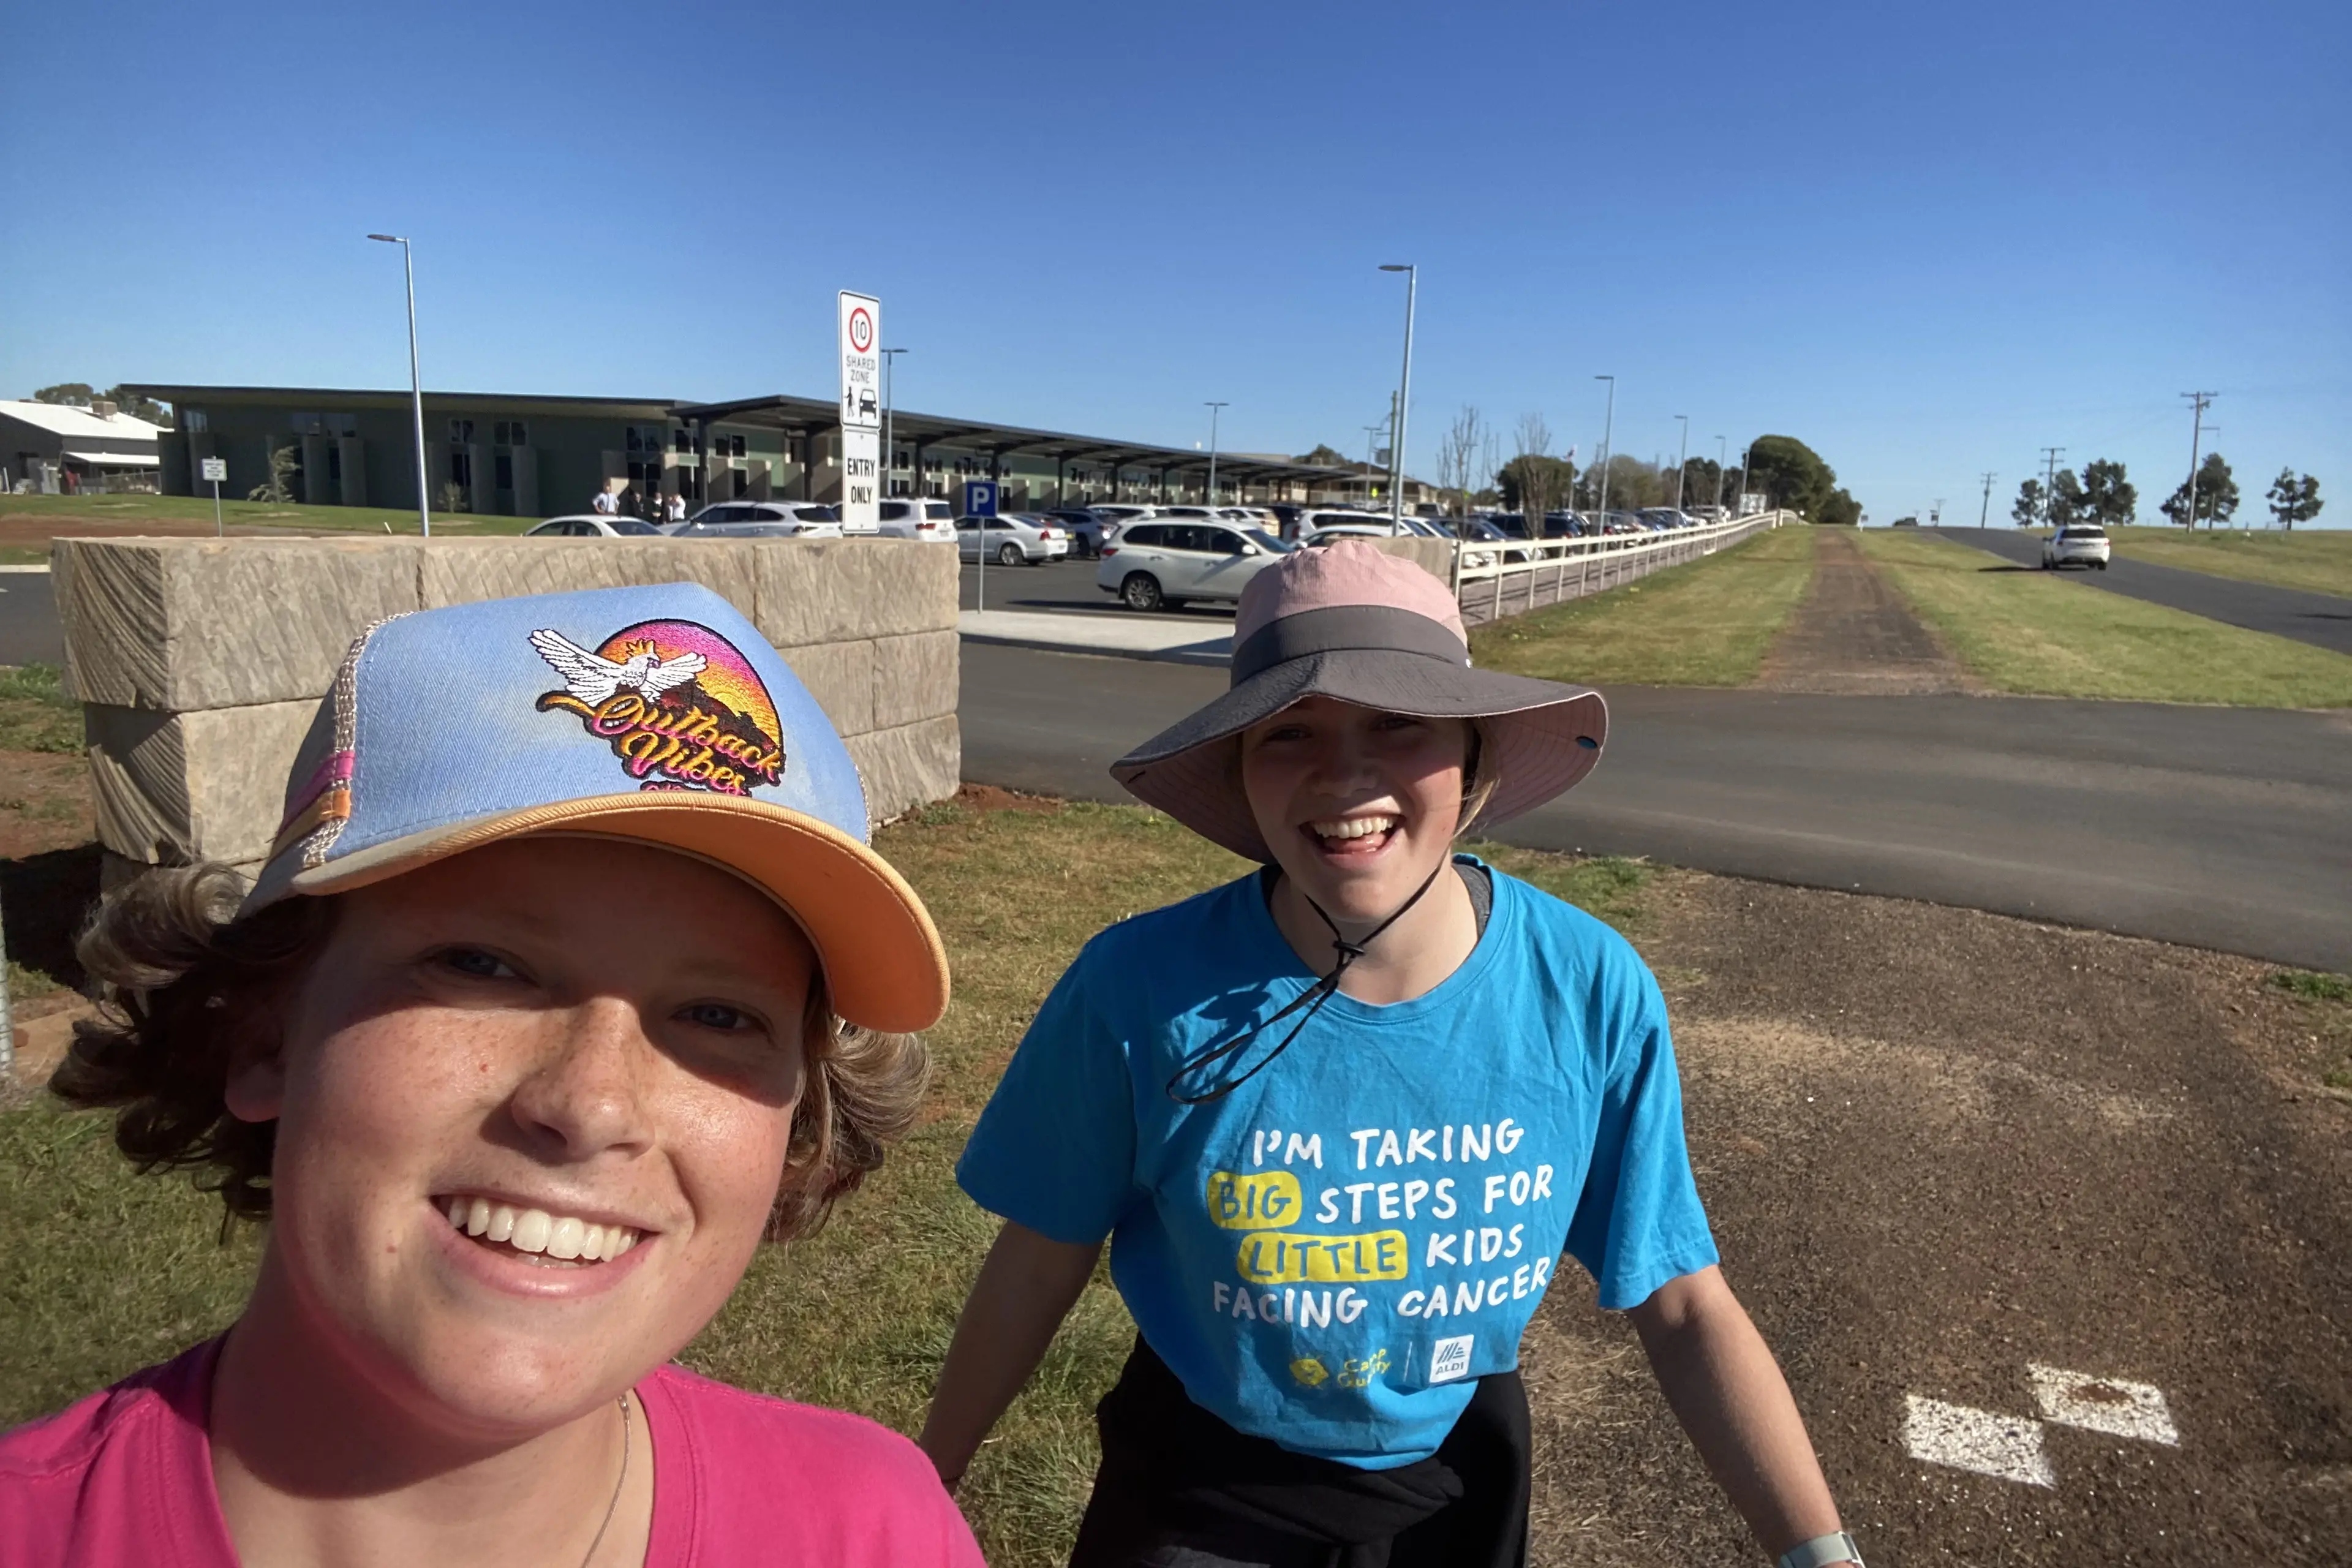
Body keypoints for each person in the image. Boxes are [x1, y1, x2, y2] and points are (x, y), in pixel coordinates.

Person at [2, 582, 984, 1567]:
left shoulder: (875, 1532)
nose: (590, 1104)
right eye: (482, 965)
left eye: (719, 1016)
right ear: (263, 1034)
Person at [922, 542, 1863, 1568]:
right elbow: (1042, 1253)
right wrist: (926, 1483)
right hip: (1200, 1485)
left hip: (1456, 1488)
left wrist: (1816, 1551)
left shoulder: (1588, 989)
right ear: (1242, 773)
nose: (1344, 774)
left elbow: (1682, 1301)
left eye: (1398, 723)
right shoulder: (1138, 988)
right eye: (1290, 733)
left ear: (1476, 759)